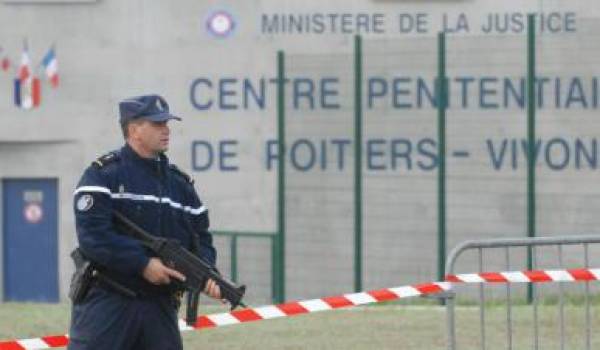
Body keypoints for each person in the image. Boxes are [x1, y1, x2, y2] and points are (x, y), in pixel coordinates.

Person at [68, 94, 221, 350]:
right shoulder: (102, 175)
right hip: (108, 304)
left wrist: (207, 275)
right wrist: (143, 264)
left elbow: (201, 237)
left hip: (159, 309)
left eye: (167, 124)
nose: (167, 130)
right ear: (134, 129)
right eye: (157, 124)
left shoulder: (180, 185)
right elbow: (94, 237)